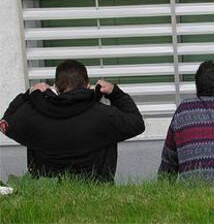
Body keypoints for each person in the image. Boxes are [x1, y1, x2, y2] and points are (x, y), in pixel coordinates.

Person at [0, 60, 145, 182]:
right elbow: (137, 123)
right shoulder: (104, 115)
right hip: (97, 188)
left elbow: (4, 124)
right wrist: (116, 93)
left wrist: (28, 94)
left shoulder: (32, 113)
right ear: (87, 85)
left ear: (56, 87)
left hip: (46, 190)